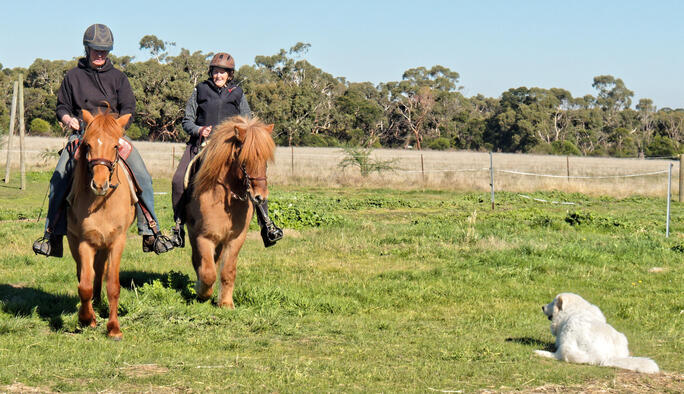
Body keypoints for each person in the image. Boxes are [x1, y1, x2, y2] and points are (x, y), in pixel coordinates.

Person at [32, 24, 174, 257]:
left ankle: (151, 231)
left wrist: (118, 129)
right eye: (96, 50)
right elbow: (62, 107)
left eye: (105, 50)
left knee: (144, 177)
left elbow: (129, 107)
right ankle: (52, 235)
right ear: (87, 49)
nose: (100, 54)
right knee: (58, 180)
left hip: (112, 136)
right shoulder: (73, 76)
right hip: (83, 135)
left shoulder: (118, 77)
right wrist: (69, 120)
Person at [170, 52, 282, 248]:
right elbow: (187, 120)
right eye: (215, 71)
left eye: (223, 72)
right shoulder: (200, 90)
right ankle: (178, 227)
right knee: (179, 179)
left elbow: (247, 121)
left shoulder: (237, 93)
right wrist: (198, 130)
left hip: (231, 146)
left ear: (230, 74)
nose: (218, 76)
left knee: (256, 175)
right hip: (203, 144)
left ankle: (266, 223)